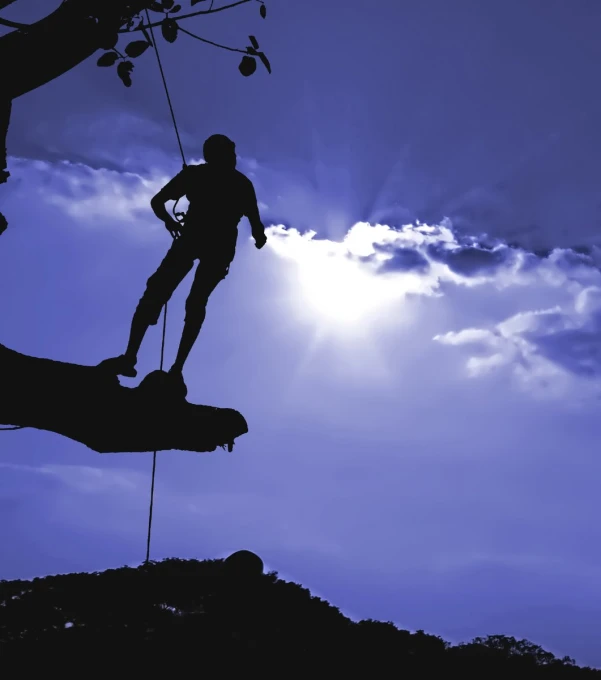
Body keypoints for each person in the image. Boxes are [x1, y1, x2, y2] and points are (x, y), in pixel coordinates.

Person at [99, 134, 267, 381]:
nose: (234, 157)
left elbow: (158, 202)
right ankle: (164, 366)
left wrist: (170, 221)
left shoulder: (200, 176)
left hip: (197, 242)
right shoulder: (236, 183)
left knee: (168, 295)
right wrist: (259, 237)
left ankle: (139, 359)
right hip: (212, 246)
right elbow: (256, 226)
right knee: (184, 299)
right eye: (230, 152)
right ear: (219, 154)